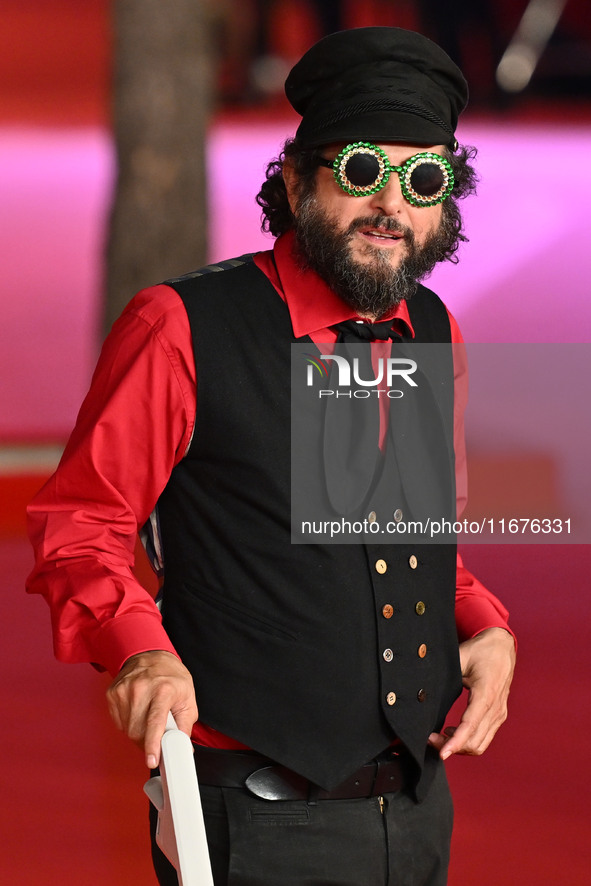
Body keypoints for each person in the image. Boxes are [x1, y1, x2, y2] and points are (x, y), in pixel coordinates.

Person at [27, 27, 516, 886]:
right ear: (294, 182)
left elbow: (401, 530)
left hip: (415, 811)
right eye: (360, 169)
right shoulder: (180, 326)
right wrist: (140, 650)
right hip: (255, 820)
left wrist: (483, 625)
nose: (390, 206)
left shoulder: (427, 331)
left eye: (423, 179)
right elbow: (83, 523)